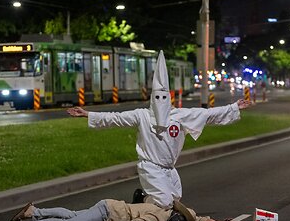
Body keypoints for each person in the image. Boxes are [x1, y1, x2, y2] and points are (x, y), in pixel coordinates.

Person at [67, 50, 252, 210]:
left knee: (175, 199)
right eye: (157, 97)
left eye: (164, 97)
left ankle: (145, 200)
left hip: (169, 169)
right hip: (150, 167)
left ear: (169, 97)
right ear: (151, 98)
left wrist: (234, 107)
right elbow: (115, 118)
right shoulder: (142, 115)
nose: (160, 101)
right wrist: (87, 114)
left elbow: (208, 115)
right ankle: (143, 201)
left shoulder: (180, 115)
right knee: (163, 202)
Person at [6, 199, 235, 221]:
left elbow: (200, 218)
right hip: (109, 213)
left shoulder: (170, 211)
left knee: (73, 215)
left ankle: (34, 212)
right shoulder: (159, 219)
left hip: (109, 205)